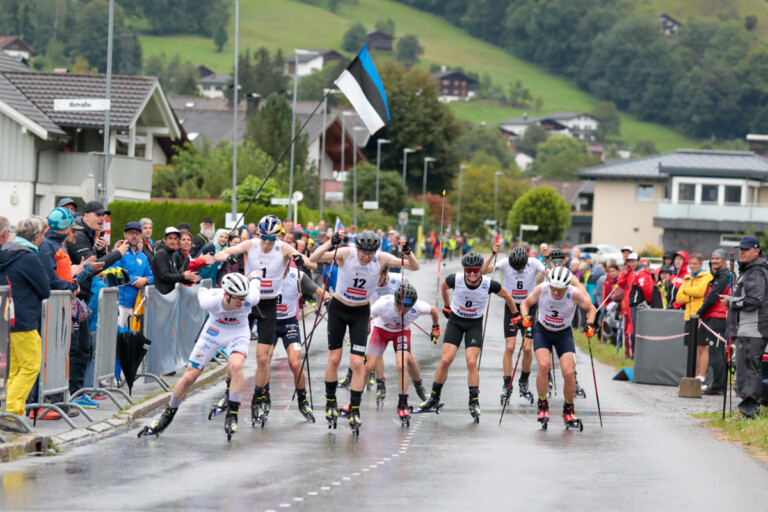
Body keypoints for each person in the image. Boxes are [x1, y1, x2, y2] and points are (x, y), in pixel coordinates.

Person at [310, 230, 419, 433]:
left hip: (360, 312)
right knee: (334, 359)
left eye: (370, 253)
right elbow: (313, 259)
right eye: (363, 252)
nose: (366, 257)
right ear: (357, 248)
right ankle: (330, 402)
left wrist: (407, 251)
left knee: (358, 363)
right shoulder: (346, 253)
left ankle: (355, 408)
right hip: (339, 309)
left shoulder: (381, 258)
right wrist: (330, 244)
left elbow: (413, 266)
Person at [215, 215, 315, 426]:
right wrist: (228, 257)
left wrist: (300, 259)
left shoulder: (283, 248)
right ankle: (227, 391)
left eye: (271, 238)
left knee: (262, 359)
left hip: (269, 307)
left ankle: (257, 400)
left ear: (277, 236)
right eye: (264, 238)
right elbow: (220, 253)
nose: (267, 243)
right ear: (259, 234)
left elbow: (307, 262)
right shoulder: (250, 244)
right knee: (236, 353)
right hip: (248, 303)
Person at [139, 272, 262, 439]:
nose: (242, 302)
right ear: (226, 294)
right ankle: (167, 415)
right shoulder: (210, 300)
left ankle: (232, 414)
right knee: (190, 376)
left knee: (236, 366)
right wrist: (200, 289)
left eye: (243, 298)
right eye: (238, 299)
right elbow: (201, 291)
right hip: (213, 332)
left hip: (238, 332)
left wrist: (254, 276)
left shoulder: (252, 297)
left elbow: (256, 279)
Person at [420, 252, 519, 422]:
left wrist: (516, 315)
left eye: (475, 270)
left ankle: (474, 401)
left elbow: (507, 296)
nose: (472, 273)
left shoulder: (489, 284)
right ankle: (434, 397)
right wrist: (446, 306)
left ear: (481, 270)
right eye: (469, 270)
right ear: (464, 269)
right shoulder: (455, 279)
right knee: (446, 360)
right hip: (455, 322)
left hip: (474, 324)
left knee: (471, 362)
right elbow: (443, 287)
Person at [520, 267, 597, 430]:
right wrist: (526, 318)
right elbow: (525, 304)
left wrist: (590, 325)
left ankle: (568, 411)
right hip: (542, 332)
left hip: (564, 334)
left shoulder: (574, 293)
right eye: (553, 288)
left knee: (569, 373)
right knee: (543, 366)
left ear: (567, 287)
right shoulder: (542, 289)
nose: (555, 292)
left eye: (560, 289)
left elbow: (591, 308)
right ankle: (542, 405)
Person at [67, 201, 127, 399]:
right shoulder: (80, 236)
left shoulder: (89, 235)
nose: (102, 219)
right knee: (78, 349)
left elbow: (96, 265)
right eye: (97, 215)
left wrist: (101, 251)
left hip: (81, 298)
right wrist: (117, 254)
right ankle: (76, 394)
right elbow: (95, 267)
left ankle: (80, 392)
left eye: (104, 215)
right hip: (73, 297)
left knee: (84, 348)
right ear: (85, 216)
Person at [0, 216, 51, 433]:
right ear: (38, 237)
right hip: (23, 319)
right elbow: (45, 290)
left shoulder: (5, 253)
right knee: (30, 365)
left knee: (15, 369)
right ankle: (10, 412)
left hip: (5, 317)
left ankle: (12, 411)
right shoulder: (29, 258)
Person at [365, 283, 440, 422]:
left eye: (406, 309)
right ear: (395, 301)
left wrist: (435, 327)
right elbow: (366, 318)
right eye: (398, 307)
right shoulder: (383, 305)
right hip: (381, 331)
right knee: (368, 367)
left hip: (402, 332)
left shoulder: (418, 307)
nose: (401, 312)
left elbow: (434, 310)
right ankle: (355, 401)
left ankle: (403, 403)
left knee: (402, 365)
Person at [481, 243, 545, 405]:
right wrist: (492, 254)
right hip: (511, 307)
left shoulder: (534, 262)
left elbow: (551, 275)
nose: (518, 271)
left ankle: (524, 380)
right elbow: (482, 271)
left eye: (521, 268)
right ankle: (506, 384)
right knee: (510, 347)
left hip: (529, 307)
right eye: (515, 268)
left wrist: (548, 259)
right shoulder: (504, 263)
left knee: (527, 348)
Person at [721, 236, 768, 418]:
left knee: (748, 371)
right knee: (746, 370)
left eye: (746, 249)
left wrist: (731, 302)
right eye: (740, 249)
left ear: (756, 251)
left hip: (752, 329)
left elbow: (754, 300)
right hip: (748, 329)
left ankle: (748, 412)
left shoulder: (756, 271)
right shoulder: (750, 270)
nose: (742, 252)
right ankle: (748, 410)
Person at [676, 252, 713, 386]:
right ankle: (693, 374)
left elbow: (700, 292)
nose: (692, 266)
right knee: (692, 347)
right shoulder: (687, 277)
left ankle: (701, 376)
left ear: (701, 264)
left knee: (702, 347)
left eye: (695, 263)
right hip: (688, 316)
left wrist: (687, 292)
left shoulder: (706, 276)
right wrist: (691, 293)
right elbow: (678, 298)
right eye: (690, 263)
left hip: (701, 317)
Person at [697, 249, 730, 395]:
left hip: (718, 318)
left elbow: (712, 298)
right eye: (713, 258)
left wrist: (698, 314)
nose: (714, 261)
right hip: (713, 318)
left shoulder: (723, 277)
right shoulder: (717, 276)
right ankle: (718, 384)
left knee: (717, 353)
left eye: (718, 259)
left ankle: (718, 386)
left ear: (724, 261)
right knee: (717, 352)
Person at [113, 222, 155, 324]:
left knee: (133, 339)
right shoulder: (119, 253)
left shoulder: (143, 257)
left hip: (138, 305)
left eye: (137, 233)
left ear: (141, 236)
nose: (134, 236)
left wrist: (146, 280)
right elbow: (116, 273)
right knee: (118, 338)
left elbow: (152, 276)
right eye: (131, 233)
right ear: (125, 234)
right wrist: (137, 281)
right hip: (120, 305)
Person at [151, 227, 200, 294]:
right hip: (161, 295)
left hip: (170, 295)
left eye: (175, 239)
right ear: (164, 240)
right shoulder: (161, 253)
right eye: (170, 238)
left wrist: (189, 279)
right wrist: (183, 276)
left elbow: (175, 276)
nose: (173, 241)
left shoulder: (172, 253)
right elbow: (164, 276)